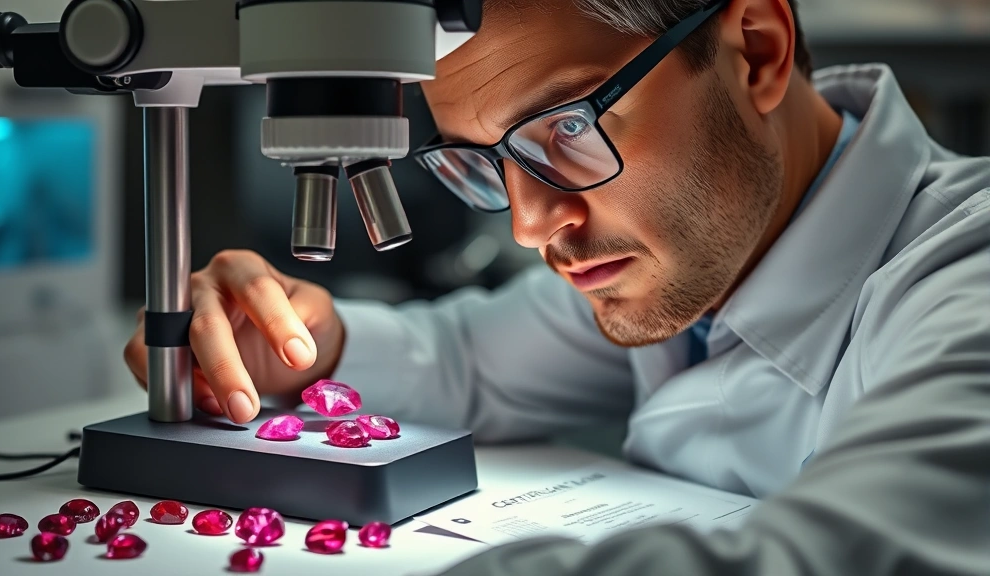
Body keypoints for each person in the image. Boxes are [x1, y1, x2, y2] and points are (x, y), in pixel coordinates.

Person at [125, 0, 990, 574]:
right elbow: (469, 359)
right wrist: (299, 340)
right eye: (489, 162)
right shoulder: (709, 250)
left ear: (755, 51)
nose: (532, 225)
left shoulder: (964, 283)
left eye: (567, 128)